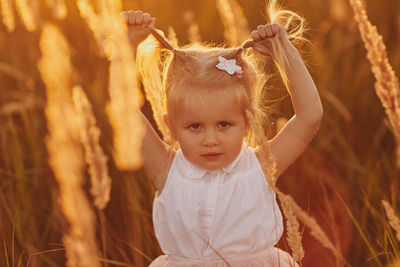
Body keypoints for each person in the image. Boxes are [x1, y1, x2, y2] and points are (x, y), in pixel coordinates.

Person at [119, 2, 323, 266]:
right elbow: (121, 107)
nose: (210, 139)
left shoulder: (261, 166)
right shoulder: (166, 169)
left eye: (224, 124)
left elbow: (309, 116)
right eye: (195, 126)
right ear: (171, 127)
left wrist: (285, 53)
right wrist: (125, 48)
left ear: (248, 123)